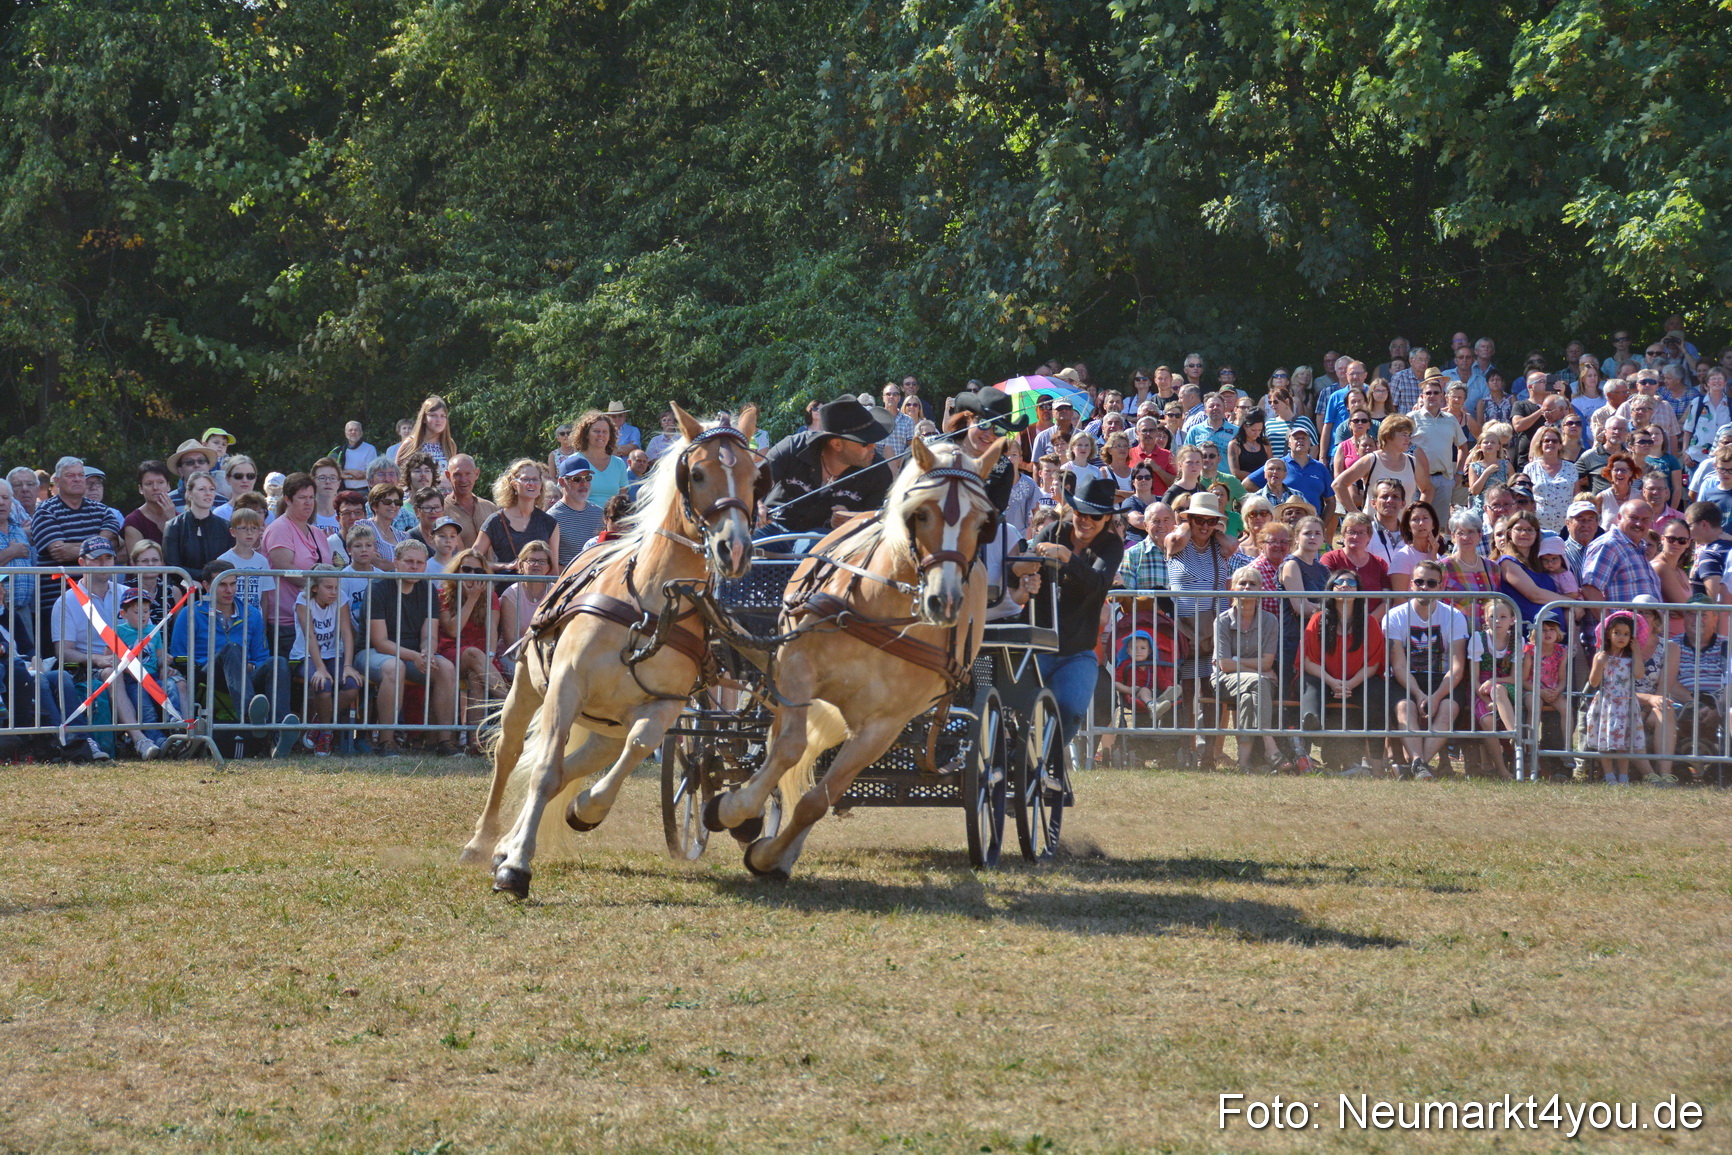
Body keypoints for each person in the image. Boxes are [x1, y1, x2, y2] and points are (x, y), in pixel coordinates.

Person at [168, 560, 300, 759]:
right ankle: (249, 714)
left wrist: (250, 666)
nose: (229, 590)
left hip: (245, 674)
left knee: (278, 662)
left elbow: (261, 656)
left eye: (233, 583)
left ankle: (279, 733)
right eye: (222, 584)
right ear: (206, 586)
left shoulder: (252, 614)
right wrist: (208, 663)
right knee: (232, 649)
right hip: (208, 675)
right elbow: (179, 656)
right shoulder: (191, 613)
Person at [1029, 478, 1125, 746]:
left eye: (1095, 516)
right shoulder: (1052, 533)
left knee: (1070, 711)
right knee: (1020, 712)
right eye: (1081, 512)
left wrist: (1066, 557)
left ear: (1107, 518)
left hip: (1077, 650)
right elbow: (1025, 564)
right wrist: (1027, 577)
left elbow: (1097, 584)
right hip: (1037, 644)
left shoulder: (1111, 545)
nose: (1086, 520)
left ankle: (1051, 761)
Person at [359, 538, 459, 756]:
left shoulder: (428, 589)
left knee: (446, 668)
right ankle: (387, 741)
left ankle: (444, 741)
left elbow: (429, 634)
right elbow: (379, 641)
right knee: (395, 667)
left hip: (411, 653)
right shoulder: (378, 588)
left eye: (420, 562)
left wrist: (427, 652)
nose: (415, 567)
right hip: (372, 653)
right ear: (396, 562)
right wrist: (415, 656)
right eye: (409, 562)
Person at [1384, 560, 1469, 779]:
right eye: (1419, 581)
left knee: (1448, 708)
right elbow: (1399, 665)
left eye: (1431, 583)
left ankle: (1415, 766)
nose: (1424, 587)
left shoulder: (1455, 616)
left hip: (1443, 679)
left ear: (1441, 586)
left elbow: (1458, 665)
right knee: (1405, 706)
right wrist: (1420, 694)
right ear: (1411, 584)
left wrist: (1437, 696)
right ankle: (1419, 764)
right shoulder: (1395, 616)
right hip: (1407, 679)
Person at [1300, 569, 1387, 776]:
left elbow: (1374, 663)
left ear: (1359, 591)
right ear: (1331, 589)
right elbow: (1308, 661)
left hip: (1358, 680)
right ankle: (1314, 730)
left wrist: (1350, 684)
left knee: (1376, 696)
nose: (1345, 585)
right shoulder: (1318, 619)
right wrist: (1332, 682)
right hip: (1324, 677)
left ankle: (1376, 766)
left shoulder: (1369, 622)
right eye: (1339, 581)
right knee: (1311, 691)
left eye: (1351, 582)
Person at [762, 398, 895, 535]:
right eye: (865, 443)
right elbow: (751, 482)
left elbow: (878, 522)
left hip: (824, 540)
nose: (873, 447)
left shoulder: (878, 471)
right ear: (837, 444)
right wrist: (757, 505)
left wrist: (853, 520)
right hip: (774, 526)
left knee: (810, 544)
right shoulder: (793, 448)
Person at [1212, 567, 1286, 772]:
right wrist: (1257, 667)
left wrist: (1237, 661)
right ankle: (1270, 746)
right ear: (1233, 588)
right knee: (1260, 681)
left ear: (1261, 589)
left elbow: (1268, 663)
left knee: (1248, 698)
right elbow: (1224, 666)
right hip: (1225, 681)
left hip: (1254, 683)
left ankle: (1244, 763)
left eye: (1252, 583)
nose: (1246, 587)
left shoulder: (1270, 620)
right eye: (1242, 583)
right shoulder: (1223, 621)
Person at [438, 548, 512, 753]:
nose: (471, 575)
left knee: (477, 677)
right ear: (457, 570)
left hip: (481, 657)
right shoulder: (444, 593)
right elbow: (452, 631)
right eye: (466, 569)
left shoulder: (490, 595)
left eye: (477, 571)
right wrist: (471, 598)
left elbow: (491, 633)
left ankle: (476, 742)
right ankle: (513, 706)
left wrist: (487, 658)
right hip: (451, 652)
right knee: (473, 654)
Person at [289, 565, 362, 756]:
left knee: (352, 685)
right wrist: (320, 668)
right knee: (324, 684)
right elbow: (310, 636)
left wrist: (347, 665)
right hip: (305, 655)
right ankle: (327, 733)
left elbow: (346, 632)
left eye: (336, 587)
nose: (334, 592)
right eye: (328, 588)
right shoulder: (303, 601)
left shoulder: (341, 599)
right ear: (314, 588)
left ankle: (319, 723)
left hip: (333, 654)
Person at [261, 472, 336, 655]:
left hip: (319, 621)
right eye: (302, 498)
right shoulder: (279, 529)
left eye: (311, 497)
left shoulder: (318, 533)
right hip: (286, 622)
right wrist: (322, 584)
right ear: (287, 499)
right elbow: (285, 569)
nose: (308, 503)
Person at [1584, 611, 1645, 785]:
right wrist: (1600, 664)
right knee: (1605, 741)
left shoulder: (1631, 657)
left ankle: (1624, 776)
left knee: (1623, 742)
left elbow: (1639, 675)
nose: (1621, 637)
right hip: (1607, 704)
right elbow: (1594, 682)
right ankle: (1609, 775)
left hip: (1626, 703)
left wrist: (1637, 653)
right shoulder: (1601, 656)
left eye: (1626, 634)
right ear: (1608, 634)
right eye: (1617, 632)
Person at [1335, 413, 1432, 513]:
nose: (1408, 439)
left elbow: (1428, 489)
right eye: (1404, 434)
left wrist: (1418, 513)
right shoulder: (1371, 460)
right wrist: (1355, 513)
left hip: (1403, 527)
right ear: (1389, 435)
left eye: (1409, 435)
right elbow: (1338, 484)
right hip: (1373, 526)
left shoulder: (1412, 462)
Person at [475, 459, 559, 572]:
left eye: (535, 479)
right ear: (514, 484)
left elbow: (554, 569)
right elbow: (473, 561)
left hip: (540, 588)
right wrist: (505, 566)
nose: (531, 483)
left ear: (541, 485)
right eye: (525, 479)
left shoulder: (549, 523)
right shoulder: (495, 521)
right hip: (505, 588)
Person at [1467, 600, 1519, 778]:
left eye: (1503, 617)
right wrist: (1486, 701)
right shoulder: (1478, 639)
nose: (1497, 621)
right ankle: (1501, 768)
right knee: (1488, 721)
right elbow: (1474, 679)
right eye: (1492, 616)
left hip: (1506, 686)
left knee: (1498, 689)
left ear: (1512, 620)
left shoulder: (1517, 640)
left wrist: (1494, 680)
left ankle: (1514, 735)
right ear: (1485, 619)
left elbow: (1514, 677)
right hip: (1481, 690)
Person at [1581, 500, 1663, 603]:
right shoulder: (1609, 545)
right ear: (1619, 517)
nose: (1639, 524)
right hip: (1621, 618)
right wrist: (1608, 619)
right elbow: (1590, 589)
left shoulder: (1638, 547)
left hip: (1641, 619)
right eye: (1633, 518)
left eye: (1645, 520)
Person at [161, 471, 234, 577]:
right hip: (184, 587)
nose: (208, 493)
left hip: (219, 587)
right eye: (201, 489)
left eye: (212, 489)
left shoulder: (226, 526)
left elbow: (229, 564)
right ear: (189, 493)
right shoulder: (173, 526)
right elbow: (173, 568)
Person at [498, 540, 554, 670]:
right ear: (521, 565)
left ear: (548, 567)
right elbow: (510, 641)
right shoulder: (511, 594)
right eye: (531, 560)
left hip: (548, 655)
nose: (536, 565)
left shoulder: (555, 592)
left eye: (542, 561)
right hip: (515, 656)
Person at [1521, 424, 1579, 532]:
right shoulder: (1530, 469)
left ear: (1560, 445)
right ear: (1541, 444)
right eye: (1546, 441)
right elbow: (1525, 498)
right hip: (1537, 527)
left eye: (1554, 441)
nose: (1550, 443)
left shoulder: (1571, 468)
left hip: (1565, 528)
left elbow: (1576, 497)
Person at [439, 455, 499, 549]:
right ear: (448, 476)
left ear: (476, 473)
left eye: (468, 474)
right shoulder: (441, 511)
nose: (463, 480)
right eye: (457, 474)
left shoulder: (490, 508)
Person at [216, 507, 270, 611]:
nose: (249, 532)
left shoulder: (262, 561)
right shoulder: (223, 560)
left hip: (254, 619)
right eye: (244, 528)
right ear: (233, 532)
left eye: (254, 528)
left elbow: (264, 597)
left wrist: (263, 625)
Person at [397, 395, 459, 481]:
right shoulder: (410, 443)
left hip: (443, 493)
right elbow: (397, 475)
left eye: (442, 416)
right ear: (424, 419)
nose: (438, 420)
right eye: (433, 415)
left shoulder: (449, 444)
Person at [121, 461, 176, 554]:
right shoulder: (134, 521)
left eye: (160, 482)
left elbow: (186, 554)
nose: (155, 488)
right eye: (149, 483)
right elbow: (138, 561)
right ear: (141, 489)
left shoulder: (179, 518)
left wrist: (172, 520)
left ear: (168, 486)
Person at [1388, 501, 1443, 593]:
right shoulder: (1403, 556)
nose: (1421, 523)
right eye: (1415, 519)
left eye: (1425, 518)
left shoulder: (1436, 556)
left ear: (1433, 524)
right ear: (1408, 526)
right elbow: (1400, 599)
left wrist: (1434, 557)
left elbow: (1441, 588)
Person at [1684, 501, 1732, 604]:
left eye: (1689, 526)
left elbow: (1713, 601)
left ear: (1704, 524)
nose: (1688, 531)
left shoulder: (1710, 554)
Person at [361, 483, 407, 566]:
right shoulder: (362, 526)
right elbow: (375, 562)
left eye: (397, 502)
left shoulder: (402, 537)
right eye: (387, 502)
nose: (393, 506)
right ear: (374, 506)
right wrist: (399, 567)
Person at [334, 421, 378, 490]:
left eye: (356, 430)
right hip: (343, 491)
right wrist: (353, 474)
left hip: (364, 491)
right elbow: (333, 472)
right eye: (350, 430)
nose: (353, 432)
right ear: (346, 433)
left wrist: (344, 472)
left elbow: (369, 474)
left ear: (361, 433)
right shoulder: (339, 451)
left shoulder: (369, 449)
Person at [1226, 411, 1270, 480]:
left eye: (1259, 430)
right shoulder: (1234, 445)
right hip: (1243, 485)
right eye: (1253, 430)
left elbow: (1270, 465)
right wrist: (1257, 478)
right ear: (1245, 426)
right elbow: (1235, 472)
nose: (1256, 433)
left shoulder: (1265, 443)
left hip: (1263, 484)